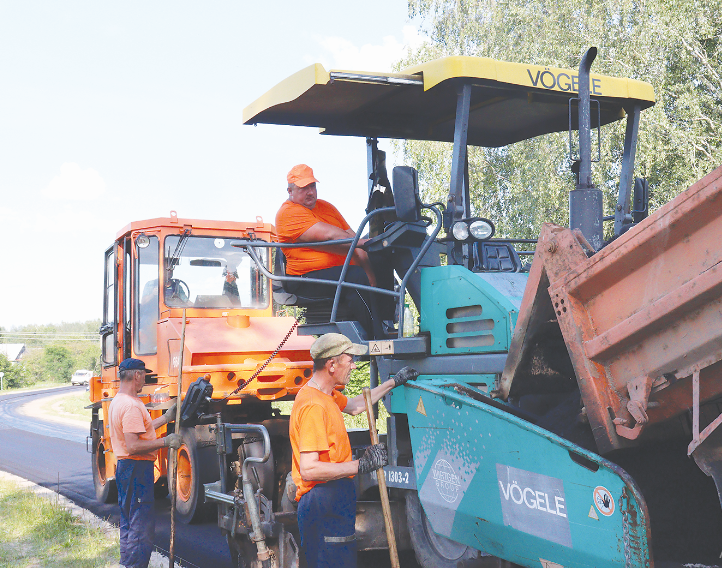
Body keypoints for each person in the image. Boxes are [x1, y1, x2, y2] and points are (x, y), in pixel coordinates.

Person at [289, 333, 418, 568]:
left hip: (335, 494)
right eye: (350, 360)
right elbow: (309, 469)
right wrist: (361, 464)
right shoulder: (313, 406)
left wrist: (394, 382)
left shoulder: (326, 395)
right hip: (322, 499)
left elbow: (358, 405)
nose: (353, 365)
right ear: (332, 365)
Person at [275, 164, 384, 339]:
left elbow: (352, 238)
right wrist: (362, 243)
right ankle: (378, 338)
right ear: (290, 191)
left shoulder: (326, 207)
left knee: (381, 262)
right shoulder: (288, 213)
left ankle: (388, 324)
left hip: (333, 273)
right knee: (353, 276)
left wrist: (371, 277)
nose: (310, 192)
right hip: (304, 278)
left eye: (312, 186)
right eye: (303, 188)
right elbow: (329, 235)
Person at [108, 358, 181, 568]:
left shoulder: (120, 400)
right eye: (144, 376)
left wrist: (166, 418)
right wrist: (166, 441)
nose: (144, 381)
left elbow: (144, 429)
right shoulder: (131, 406)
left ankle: (127, 563)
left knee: (129, 522)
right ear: (137, 375)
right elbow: (133, 445)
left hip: (127, 468)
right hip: (136, 468)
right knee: (141, 527)